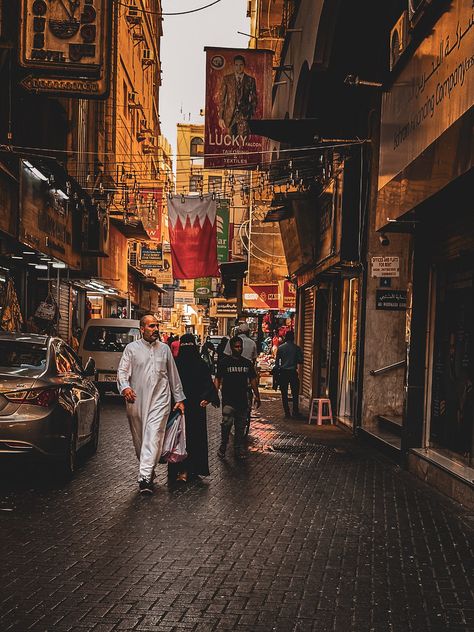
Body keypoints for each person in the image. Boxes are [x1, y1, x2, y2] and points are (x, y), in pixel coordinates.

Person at [117, 314, 185, 494]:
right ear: (142, 329)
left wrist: (178, 399)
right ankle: (148, 469)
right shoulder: (131, 349)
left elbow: (173, 375)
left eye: (157, 326)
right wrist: (125, 388)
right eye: (152, 326)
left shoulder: (164, 349)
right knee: (140, 441)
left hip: (160, 400)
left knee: (153, 435)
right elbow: (122, 372)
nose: (156, 329)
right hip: (137, 400)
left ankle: (145, 478)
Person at [171, 334, 219, 483]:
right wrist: (207, 397)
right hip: (187, 407)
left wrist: (206, 397)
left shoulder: (177, 363)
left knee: (181, 438)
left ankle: (181, 469)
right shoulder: (200, 363)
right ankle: (189, 469)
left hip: (183, 407)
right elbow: (208, 383)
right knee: (189, 438)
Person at [215, 335, 260, 460]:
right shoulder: (225, 362)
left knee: (240, 427)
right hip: (228, 399)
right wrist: (215, 395)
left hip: (242, 399)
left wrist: (257, 395)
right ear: (231, 347)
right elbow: (218, 379)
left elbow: (252, 379)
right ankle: (223, 446)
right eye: (236, 346)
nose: (239, 349)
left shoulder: (247, 363)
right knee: (226, 423)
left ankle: (238, 449)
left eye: (240, 347)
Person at [218, 54, 257, 137]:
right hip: (229, 116)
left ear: (244, 66)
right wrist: (221, 117)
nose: (239, 67)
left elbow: (254, 99)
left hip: (244, 116)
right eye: (236, 65)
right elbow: (221, 99)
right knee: (230, 140)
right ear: (234, 66)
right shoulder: (227, 79)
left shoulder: (250, 80)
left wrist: (251, 114)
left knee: (243, 141)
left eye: (241, 65)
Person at [275, 330, 304, 419]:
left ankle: (287, 412)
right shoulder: (297, 348)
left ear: (285, 338)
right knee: (295, 393)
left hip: (283, 372)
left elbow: (277, 363)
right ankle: (295, 411)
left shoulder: (280, 348)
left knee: (284, 393)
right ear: (293, 338)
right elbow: (300, 361)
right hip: (292, 372)